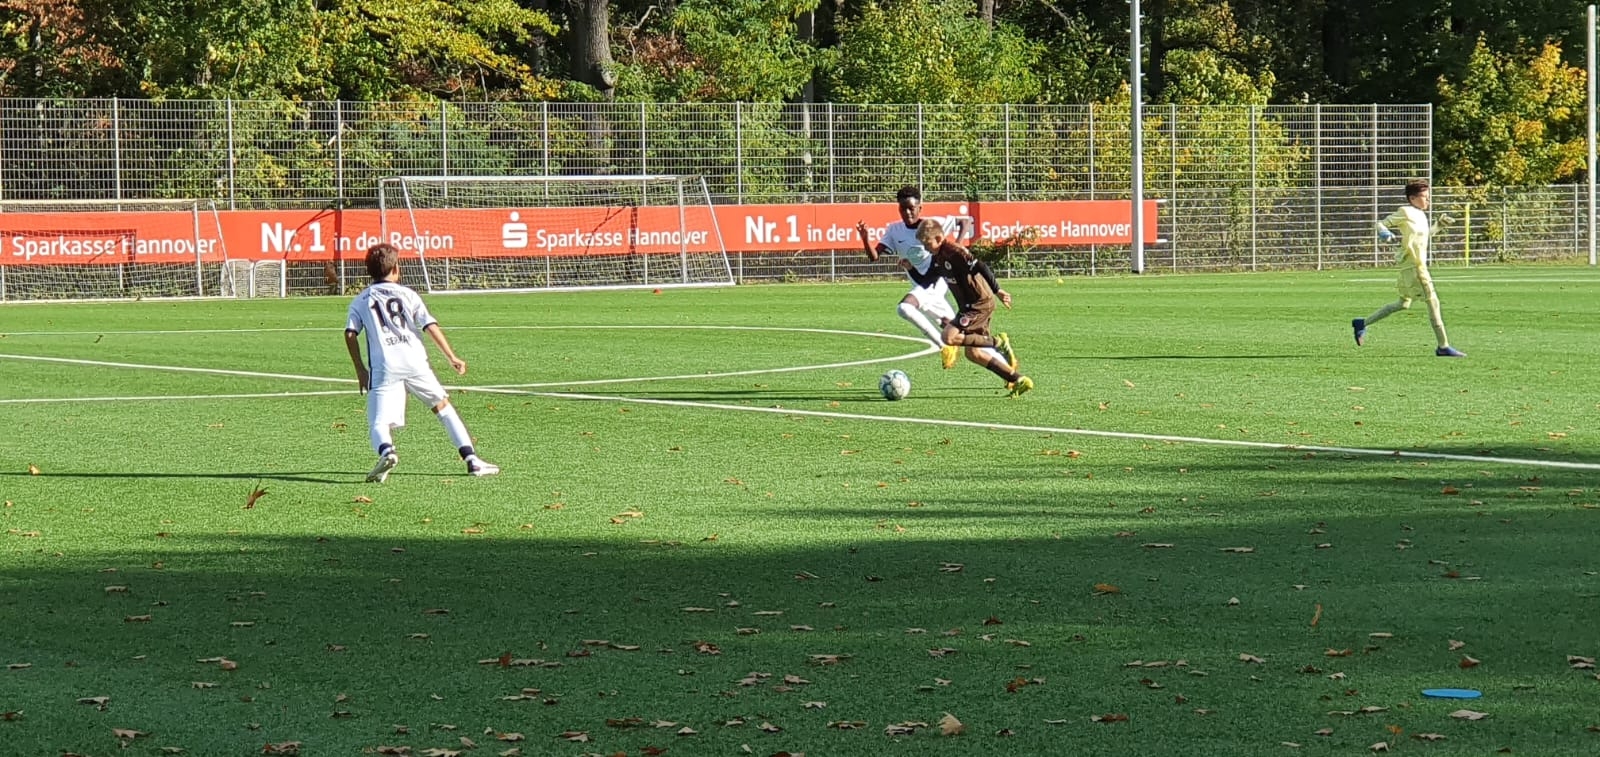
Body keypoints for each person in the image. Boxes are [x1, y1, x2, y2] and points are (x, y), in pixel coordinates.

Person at [344, 243, 500, 482]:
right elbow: (429, 326)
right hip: (415, 361)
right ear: (396, 268)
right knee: (442, 407)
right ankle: (472, 460)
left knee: (379, 422)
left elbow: (350, 333)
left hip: (385, 365)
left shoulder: (361, 300)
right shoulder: (408, 294)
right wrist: (451, 357)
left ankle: (387, 451)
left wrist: (360, 370)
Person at [855, 186, 1005, 371]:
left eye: (911, 208)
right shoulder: (894, 230)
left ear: (920, 208)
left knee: (905, 307)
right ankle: (1006, 362)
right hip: (921, 284)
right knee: (965, 335)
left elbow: (964, 221)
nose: (907, 212)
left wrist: (955, 249)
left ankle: (945, 347)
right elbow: (874, 256)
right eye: (903, 208)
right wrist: (865, 238)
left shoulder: (931, 225)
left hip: (936, 282)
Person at [906, 220, 1033, 397]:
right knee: (974, 353)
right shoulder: (938, 258)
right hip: (968, 306)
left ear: (939, 238)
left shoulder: (956, 252)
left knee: (948, 337)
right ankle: (1018, 380)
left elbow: (981, 266)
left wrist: (998, 290)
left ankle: (998, 343)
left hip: (978, 303)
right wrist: (910, 269)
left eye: (927, 244)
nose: (926, 248)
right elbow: (926, 282)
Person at [1351, 179, 1465, 357]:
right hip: (1415, 267)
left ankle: (1362, 323)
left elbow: (1424, 236)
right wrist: (1384, 232)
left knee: (1403, 303)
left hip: (1410, 267)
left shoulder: (1421, 215)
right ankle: (1443, 346)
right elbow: (1380, 223)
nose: (1428, 200)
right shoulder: (1406, 211)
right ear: (1412, 198)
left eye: (1428, 196)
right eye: (1425, 197)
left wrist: (1439, 226)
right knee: (1433, 301)